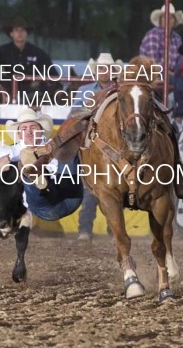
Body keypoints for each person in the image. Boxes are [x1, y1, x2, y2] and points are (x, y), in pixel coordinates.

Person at [0, 108, 83, 222]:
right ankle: (33, 173)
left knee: (69, 147)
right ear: (19, 134)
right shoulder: (9, 152)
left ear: (41, 131)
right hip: (46, 207)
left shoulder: (55, 145)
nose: (29, 132)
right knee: (25, 168)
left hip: (71, 195)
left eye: (33, 128)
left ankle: (88, 119)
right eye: (24, 129)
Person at [72, 53, 122, 241]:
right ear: (96, 71)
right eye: (101, 68)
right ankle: (86, 228)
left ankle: (111, 227)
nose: (104, 72)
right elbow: (74, 115)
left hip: (112, 146)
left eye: (107, 68)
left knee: (114, 188)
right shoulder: (85, 90)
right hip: (92, 145)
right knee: (91, 188)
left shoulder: (119, 91)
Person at [0, 16, 54, 97]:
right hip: (7, 93)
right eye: (16, 30)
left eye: (23, 30)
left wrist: (39, 80)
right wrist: (1, 82)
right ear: (11, 33)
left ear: (26, 33)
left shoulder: (38, 53)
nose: (20, 33)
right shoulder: (2, 51)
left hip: (32, 94)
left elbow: (53, 74)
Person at [139, 4, 183, 71]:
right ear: (160, 20)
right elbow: (153, 64)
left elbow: (180, 61)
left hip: (171, 76)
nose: (168, 20)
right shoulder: (153, 35)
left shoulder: (177, 38)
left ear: (174, 21)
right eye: (165, 17)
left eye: (171, 18)